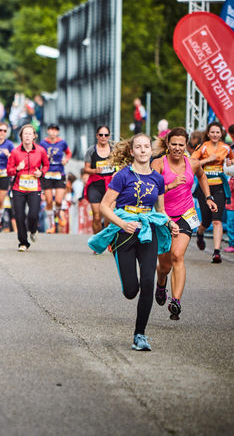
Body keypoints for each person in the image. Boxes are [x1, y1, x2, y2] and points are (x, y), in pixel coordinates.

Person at [88, 132, 178, 352]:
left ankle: (140, 334)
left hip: (148, 231)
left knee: (148, 281)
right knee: (131, 290)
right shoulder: (122, 176)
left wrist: (169, 223)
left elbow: (161, 209)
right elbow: (104, 206)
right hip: (125, 233)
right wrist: (121, 223)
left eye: (146, 146)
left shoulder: (157, 178)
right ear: (131, 151)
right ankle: (129, 286)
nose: (143, 150)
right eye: (138, 147)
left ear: (151, 150)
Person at [150, 127, 216, 321]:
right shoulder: (158, 164)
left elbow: (202, 176)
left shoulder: (193, 164)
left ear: (186, 145)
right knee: (165, 265)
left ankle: (176, 301)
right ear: (168, 144)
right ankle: (161, 284)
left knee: (177, 255)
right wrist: (170, 185)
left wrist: (209, 197)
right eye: (174, 144)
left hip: (186, 215)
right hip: (163, 217)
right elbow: (153, 191)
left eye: (181, 144)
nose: (177, 148)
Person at [190, 121, 234, 263]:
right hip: (204, 188)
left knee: (217, 220)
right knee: (206, 221)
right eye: (212, 132)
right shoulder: (203, 147)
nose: (215, 134)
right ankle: (200, 233)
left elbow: (233, 158)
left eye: (218, 132)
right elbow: (191, 162)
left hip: (219, 187)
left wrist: (231, 163)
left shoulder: (226, 148)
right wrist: (208, 160)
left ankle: (216, 252)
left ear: (221, 134)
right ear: (208, 134)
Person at [7, 124, 50, 251]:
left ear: (34, 136)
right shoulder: (15, 152)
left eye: (30, 134)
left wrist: (41, 173)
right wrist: (17, 169)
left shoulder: (41, 151)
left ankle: (33, 229)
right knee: (19, 216)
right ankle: (23, 243)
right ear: (21, 136)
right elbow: (9, 171)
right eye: (25, 134)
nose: (27, 136)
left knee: (33, 214)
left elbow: (46, 166)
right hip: (18, 188)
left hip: (34, 188)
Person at [39, 123, 72, 233]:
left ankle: (58, 215)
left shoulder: (62, 143)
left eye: (55, 130)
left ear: (57, 132)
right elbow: (38, 155)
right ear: (48, 131)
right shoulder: (43, 143)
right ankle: (52, 225)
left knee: (58, 200)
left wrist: (66, 160)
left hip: (59, 173)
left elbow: (68, 153)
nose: (53, 132)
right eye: (51, 130)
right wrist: (44, 158)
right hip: (47, 174)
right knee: (49, 201)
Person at [84, 126, 115, 235]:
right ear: (97, 136)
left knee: (108, 216)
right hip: (95, 184)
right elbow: (86, 169)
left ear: (109, 136)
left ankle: (106, 239)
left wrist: (117, 172)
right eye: (101, 135)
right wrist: (94, 171)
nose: (103, 137)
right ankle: (97, 241)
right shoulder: (91, 151)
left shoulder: (114, 150)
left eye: (106, 135)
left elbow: (121, 165)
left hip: (111, 186)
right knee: (97, 216)